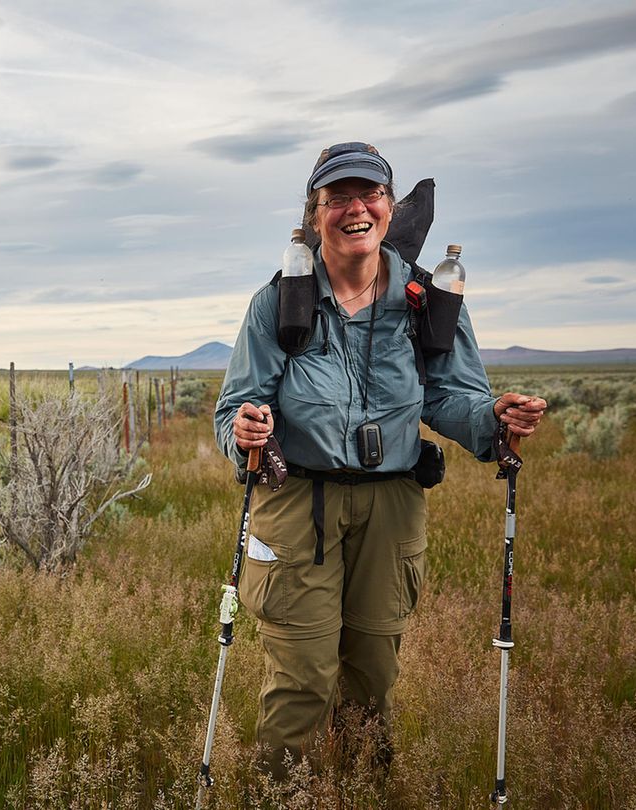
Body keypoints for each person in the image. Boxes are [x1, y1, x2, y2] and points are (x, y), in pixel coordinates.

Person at [212, 142, 546, 776]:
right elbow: (235, 407)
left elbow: (454, 396)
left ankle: (363, 787)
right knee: (302, 675)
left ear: (390, 209)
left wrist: (492, 418)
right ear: (315, 216)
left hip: (392, 505)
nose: (354, 209)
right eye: (336, 199)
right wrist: (247, 432)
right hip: (295, 503)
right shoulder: (279, 302)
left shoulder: (426, 300)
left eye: (369, 195)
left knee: (372, 671)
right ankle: (281, 791)